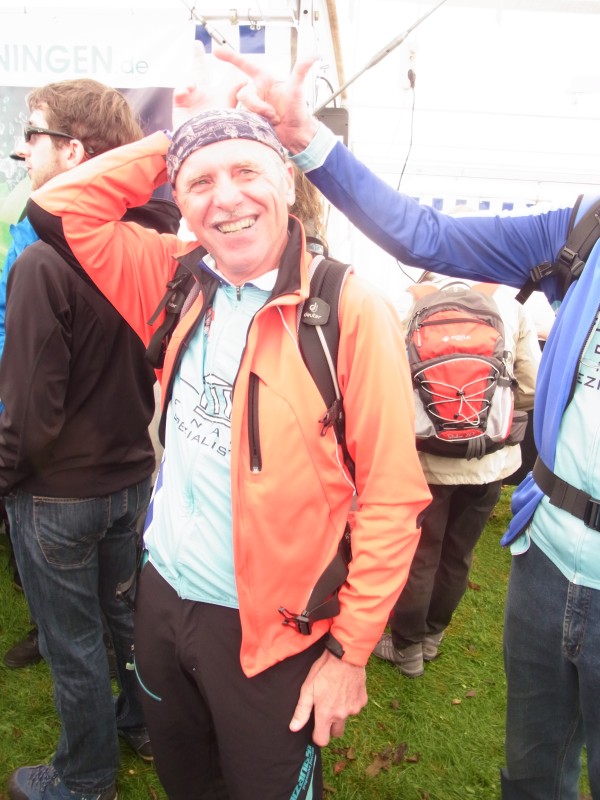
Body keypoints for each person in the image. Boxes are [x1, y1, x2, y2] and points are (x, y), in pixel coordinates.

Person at [212, 48, 600, 800]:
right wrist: (305, 137)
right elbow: (425, 234)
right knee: (531, 770)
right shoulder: (585, 228)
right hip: (549, 558)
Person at [25, 106, 431, 800]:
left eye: (248, 171)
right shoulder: (174, 274)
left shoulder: (347, 308)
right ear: (177, 199)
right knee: (187, 783)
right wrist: (174, 141)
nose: (228, 198)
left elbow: (392, 499)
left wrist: (350, 652)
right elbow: (57, 208)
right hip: (163, 598)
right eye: (200, 183)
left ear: (287, 180)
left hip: (275, 629)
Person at [0, 79, 182, 800]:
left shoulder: (41, 263)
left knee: (74, 643)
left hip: (58, 495)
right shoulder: (146, 246)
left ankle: (83, 778)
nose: (24, 150)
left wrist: (5, 478)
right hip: (129, 478)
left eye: (34, 135)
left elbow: (29, 415)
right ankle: (142, 724)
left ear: (74, 152)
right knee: (124, 618)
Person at [373, 272, 541, 677]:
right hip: (489, 461)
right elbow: (532, 386)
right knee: (458, 554)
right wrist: (487, 416)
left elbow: (387, 378)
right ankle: (432, 637)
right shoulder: (510, 306)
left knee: (421, 554)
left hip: (426, 459)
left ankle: (406, 647)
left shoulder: (412, 302)